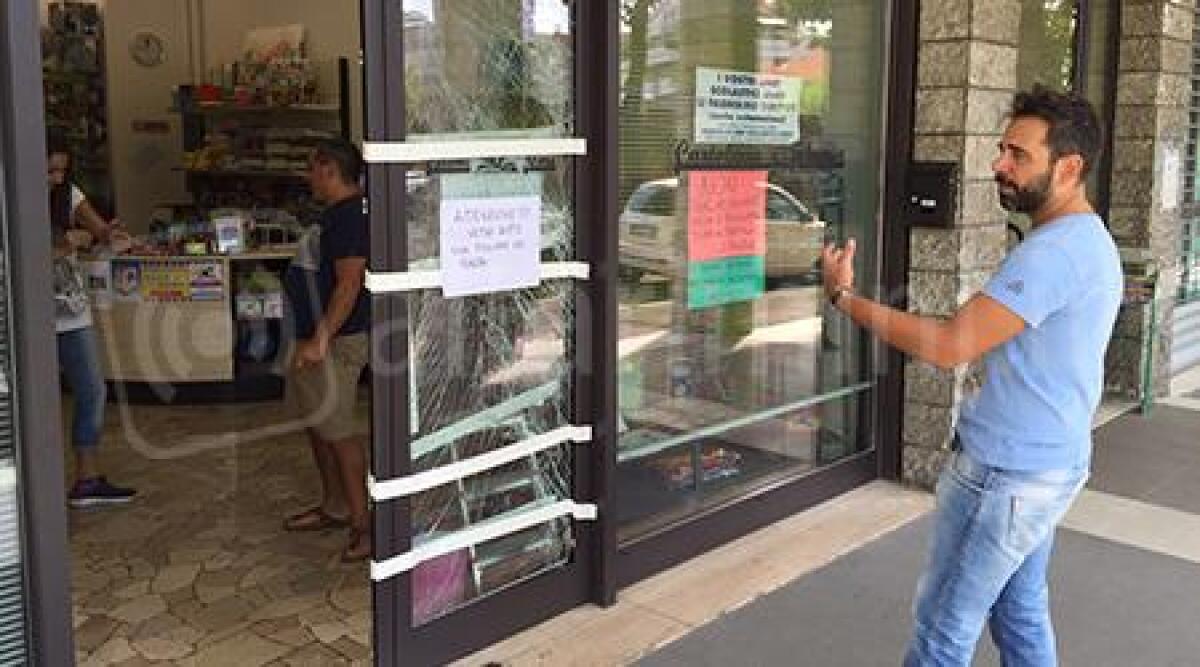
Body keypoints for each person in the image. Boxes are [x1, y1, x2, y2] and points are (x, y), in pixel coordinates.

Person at [821, 85, 1122, 666]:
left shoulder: (1056, 253)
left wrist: (844, 298)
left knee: (941, 632)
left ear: (1069, 168)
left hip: (1006, 478)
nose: (999, 165)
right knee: (1019, 611)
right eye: (1001, 149)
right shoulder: (1084, 239)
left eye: (1018, 154)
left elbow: (948, 345)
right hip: (1042, 463)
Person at [281, 137, 371, 563]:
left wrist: (321, 339)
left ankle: (363, 526)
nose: (308, 176)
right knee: (318, 425)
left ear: (330, 169)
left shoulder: (350, 217)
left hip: (336, 340)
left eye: (312, 168)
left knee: (337, 431)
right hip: (315, 338)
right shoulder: (336, 214)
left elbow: (349, 284)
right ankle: (335, 506)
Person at [47, 136, 137, 507]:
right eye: (49, 170)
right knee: (33, 400)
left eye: (62, 171)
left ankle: (87, 478)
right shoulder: (13, 194)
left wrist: (111, 235)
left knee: (92, 390)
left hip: (71, 311)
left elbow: (99, 231)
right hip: (29, 316)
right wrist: (68, 242)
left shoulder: (68, 194)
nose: (56, 178)